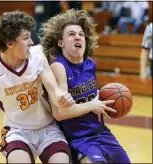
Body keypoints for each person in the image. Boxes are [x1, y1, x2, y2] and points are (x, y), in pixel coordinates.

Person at [0, 10, 74, 164]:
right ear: (10, 43)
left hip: (48, 128)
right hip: (17, 132)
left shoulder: (38, 56)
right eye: (26, 38)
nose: (31, 42)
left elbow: (53, 89)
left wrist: (62, 97)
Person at [40, 9, 131, 163]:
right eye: (71, 34)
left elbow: (91, 99)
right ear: (60, 43)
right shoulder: (59, 67)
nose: (78, 37)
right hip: (79, 138)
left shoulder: (90, 64)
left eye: (81, 34)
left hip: (102, 133)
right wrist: (92, 105)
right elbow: (60, 112)